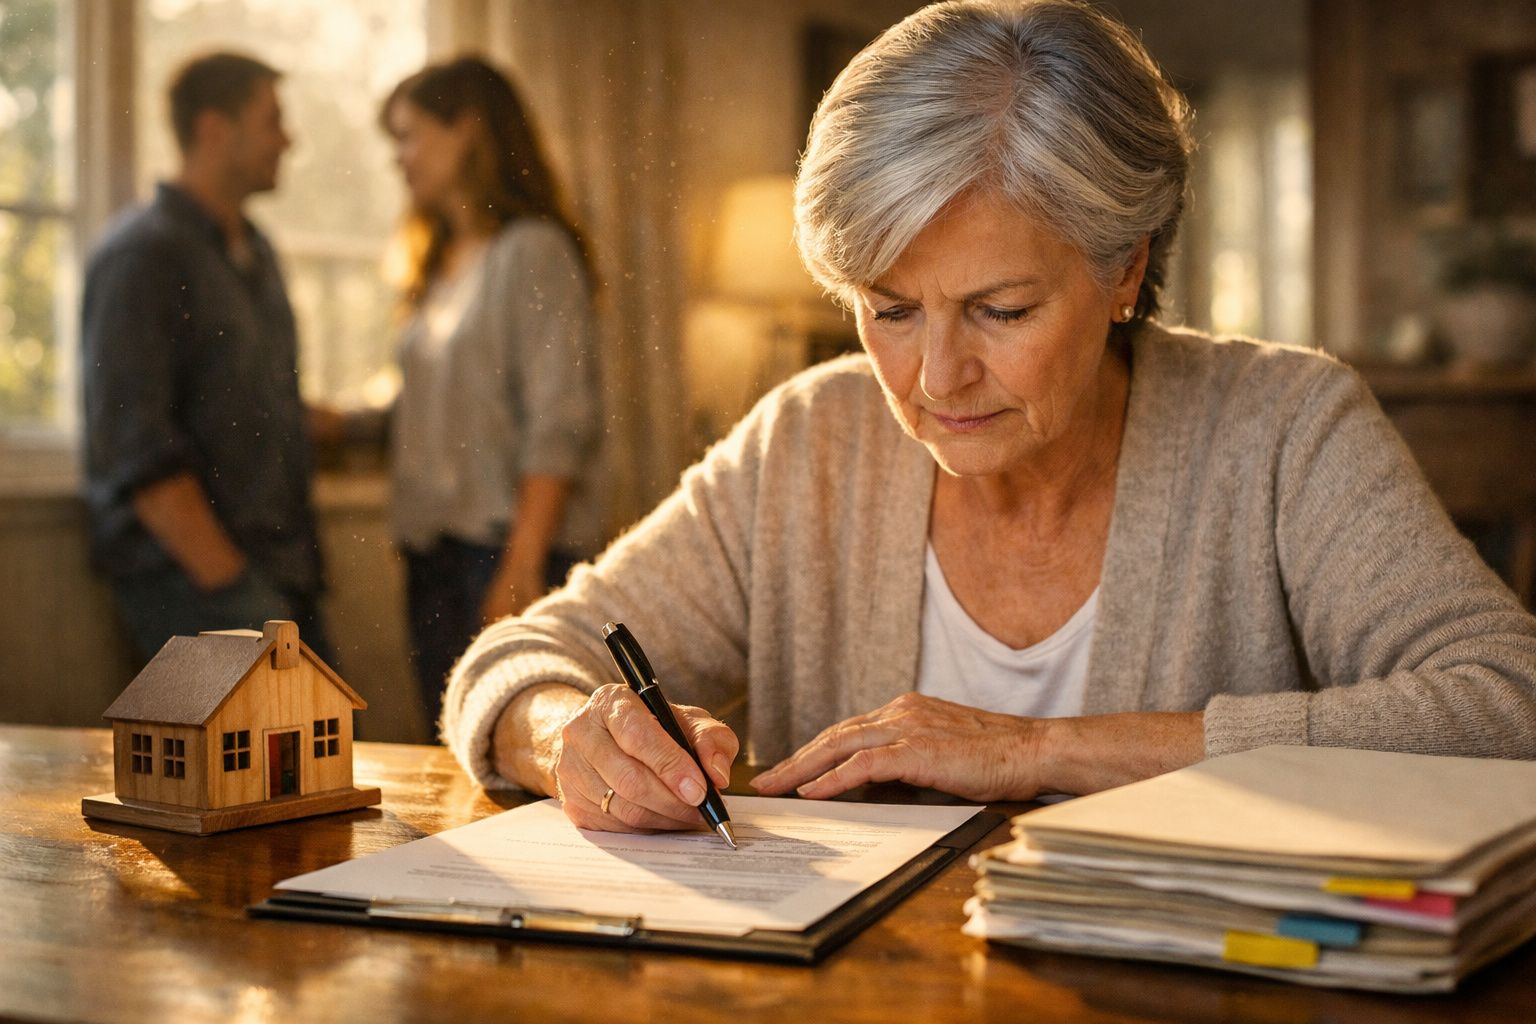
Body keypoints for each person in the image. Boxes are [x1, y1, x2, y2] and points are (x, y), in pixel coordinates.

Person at [441, 0, 1536, 833]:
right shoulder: (810, 440)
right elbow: (524, 653)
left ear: (1125, 269)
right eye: (890, 310)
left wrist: (1045, 750)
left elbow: (1507, 705)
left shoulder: (1284, 428)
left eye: (1000, 309)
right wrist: (563, 735)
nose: (936, 377)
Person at [378, 57, 604, 732]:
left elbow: (559, 420)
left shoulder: (532, 252)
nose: (399, 158)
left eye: (409, 135)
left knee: (512, 762)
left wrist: (522, 563)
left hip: (506, 552)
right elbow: (441, 407)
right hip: (434, 559)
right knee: (451, 750)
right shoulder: (440, 264)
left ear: (467, 130)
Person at [82, 52, 330, 663]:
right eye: (271, 120)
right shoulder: (142, 254)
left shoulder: (258, 254)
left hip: (276, 577)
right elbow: (137, 447)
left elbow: (261, 407)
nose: (288, 139)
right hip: (199, 589)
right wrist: (230, 587)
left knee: (324, 749)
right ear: (214, 128)